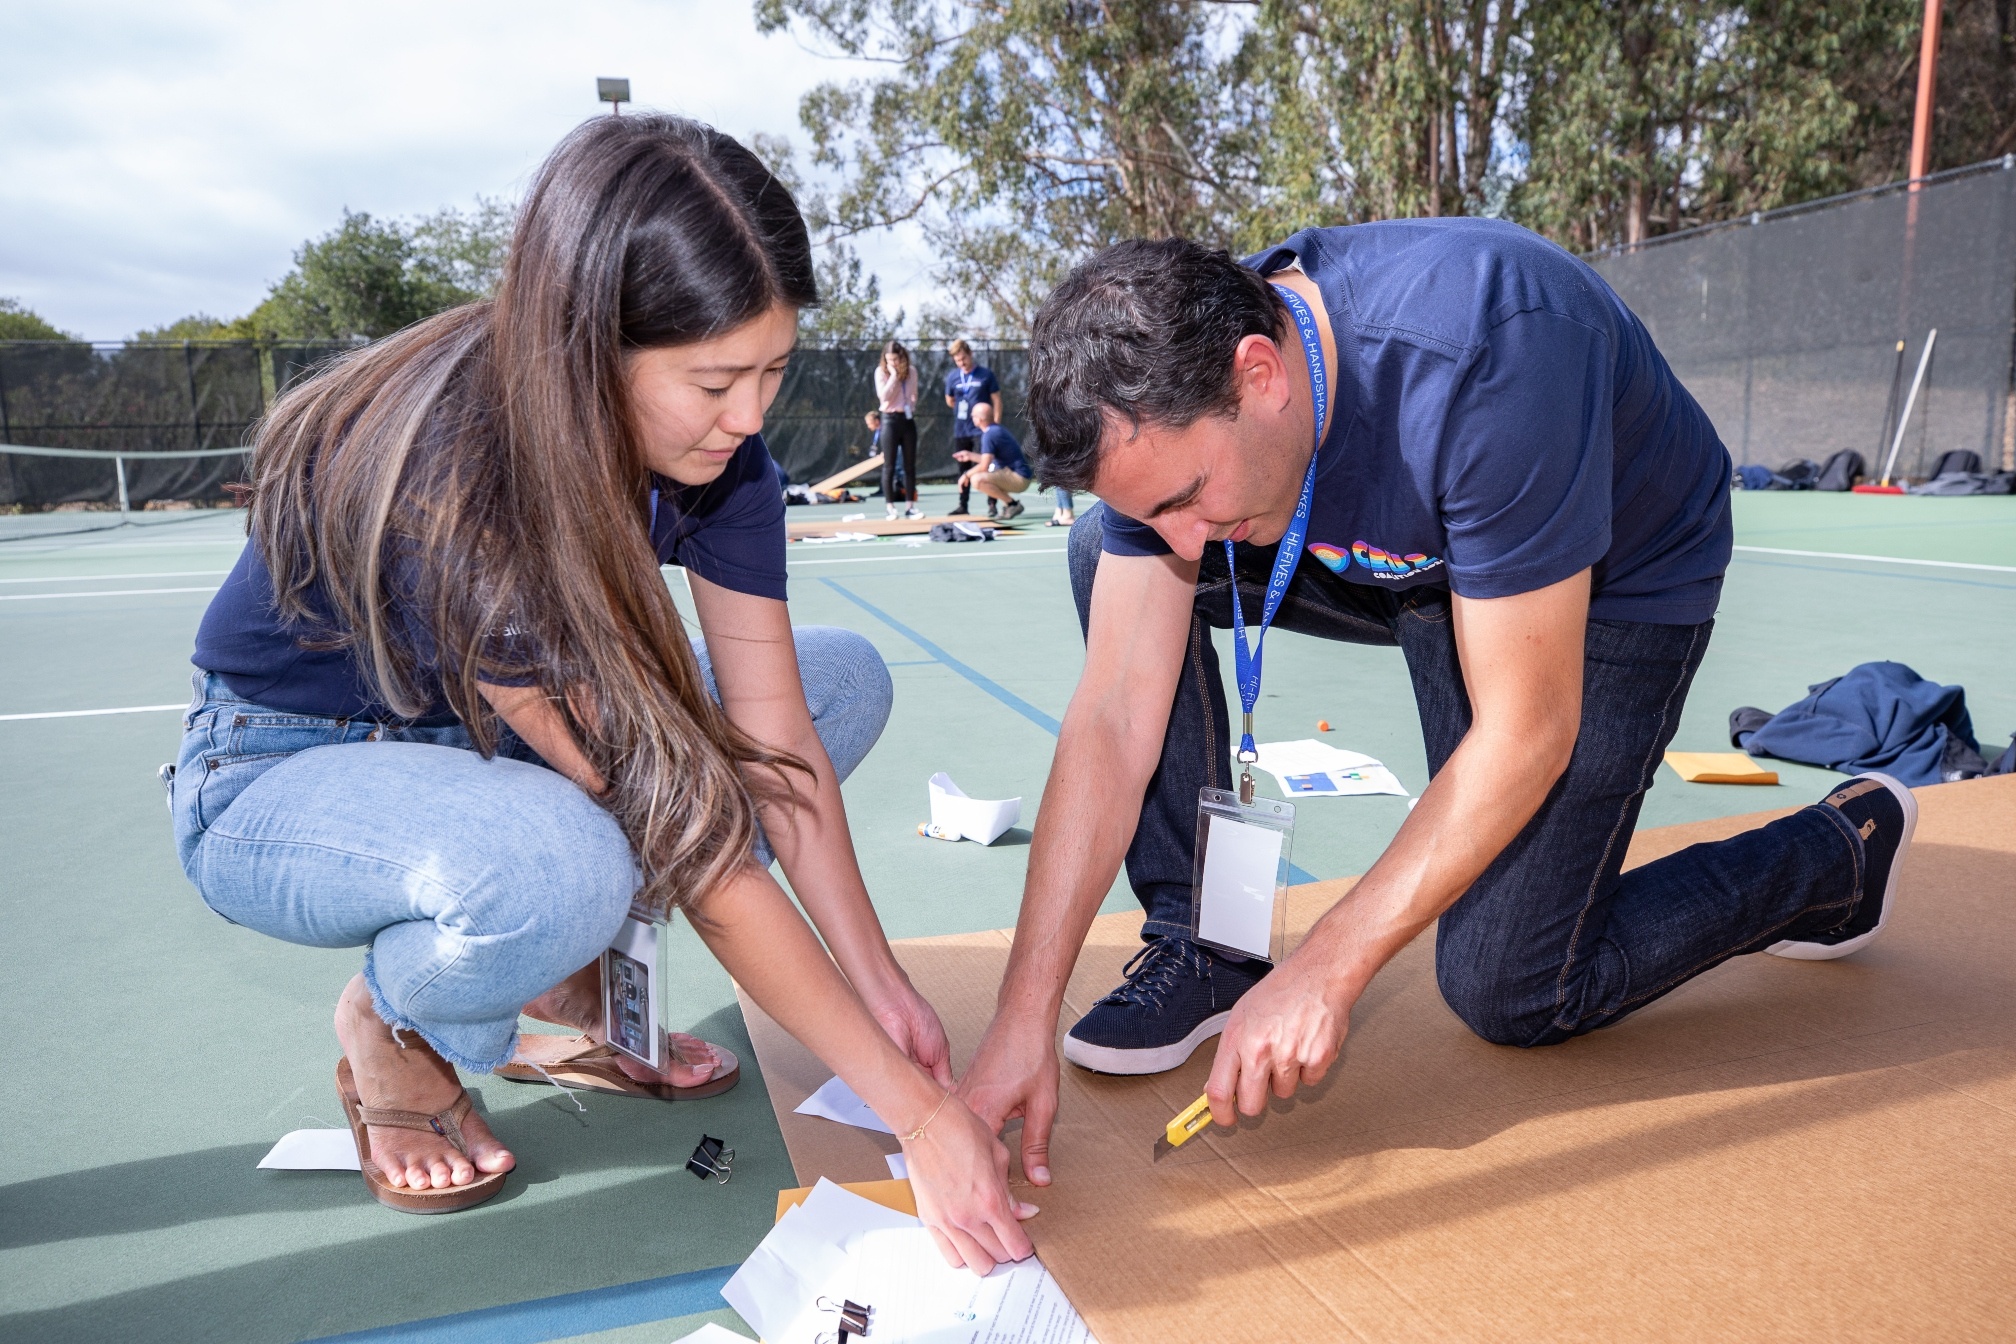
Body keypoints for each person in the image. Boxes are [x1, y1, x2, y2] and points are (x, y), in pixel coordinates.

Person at [169, 114, 1035, 1271]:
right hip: (280, 766)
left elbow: (775, 738)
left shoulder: (729, 464)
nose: (752, 417)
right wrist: (921, 1119)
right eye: (717, 380)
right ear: (586, 347)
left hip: (482, 749)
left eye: (774, 371)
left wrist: (881, 989)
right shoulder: (462, 464)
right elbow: (694, 838)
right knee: (565, 863)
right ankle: (395, 1022)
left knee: (839, 685)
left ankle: (570, 977)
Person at [956, 226, 1918, 1191]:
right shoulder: (1184, 419)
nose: (1184, 541)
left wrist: (1328, 964)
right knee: (1108, 556)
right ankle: (1208, 942)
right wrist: (1020, 1018)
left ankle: (1836, 857)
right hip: (1412, 556)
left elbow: (1527, 732)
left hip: (1610, 574)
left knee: (1510, 986)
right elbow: (1117, 714)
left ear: (1261, 375)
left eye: (1187, 497)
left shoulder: (1490, 357)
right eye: (1154, 509)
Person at [943, 339, 1001, 516]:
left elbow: (997, 400)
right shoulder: (953, 377)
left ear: (970, 354)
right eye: (958, 361)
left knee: (988, 465)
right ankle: (963, 505)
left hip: (982, 430)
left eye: (964, 359)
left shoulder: (985, 374)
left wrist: (994, 425)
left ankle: (992, 504)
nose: (962, 363)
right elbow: (950, 400)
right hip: (961, 431)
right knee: (963, 468)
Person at [960, 402, 1031, 521]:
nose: (972, 418)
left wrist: (965, 475)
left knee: (977, 479)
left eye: (973, 415)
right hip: (1018, 476)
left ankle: (1012, 505)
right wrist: (970, 456)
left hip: (1019, 478)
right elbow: (988, 461)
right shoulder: (995, 430)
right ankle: (1010, 504)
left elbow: (984, 466)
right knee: (983, 475)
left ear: (981, 418)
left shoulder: (990, 434)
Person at [875, 339, 921, 520]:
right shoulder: (881, 372)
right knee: (889, 465)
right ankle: (890, 507)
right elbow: (884, 397)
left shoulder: (911, 371)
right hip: (889, 420)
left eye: (895, 359)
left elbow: (913, 394)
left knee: (910, 465)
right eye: (889, 360)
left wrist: (910, 403)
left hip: (907, 419)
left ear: (902, 357)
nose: (892, 363)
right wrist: (893, 376)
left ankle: (910, 506)